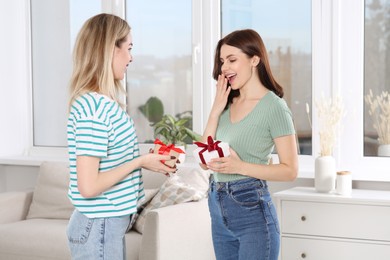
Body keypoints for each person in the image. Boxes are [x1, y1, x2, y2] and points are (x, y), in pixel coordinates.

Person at [66, 13, 176, 260]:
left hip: (106, 226)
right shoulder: (94, 108)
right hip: (99, 227)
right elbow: (89, 186)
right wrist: (139, 163)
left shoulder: (106, 104)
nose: (131, 57)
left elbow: (111, 163)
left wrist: (147, 159)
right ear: (109, 50)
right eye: (128, 48)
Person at [201, 29, 298, 260]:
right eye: (222, 61)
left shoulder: (274, 107)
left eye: (232, 59)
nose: (224, 67)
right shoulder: (225, 104)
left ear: (255, 59)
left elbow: (290, 170)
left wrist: (239, 166)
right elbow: (205, 160)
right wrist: (215, 109)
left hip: (252, 213)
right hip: (217, 205)